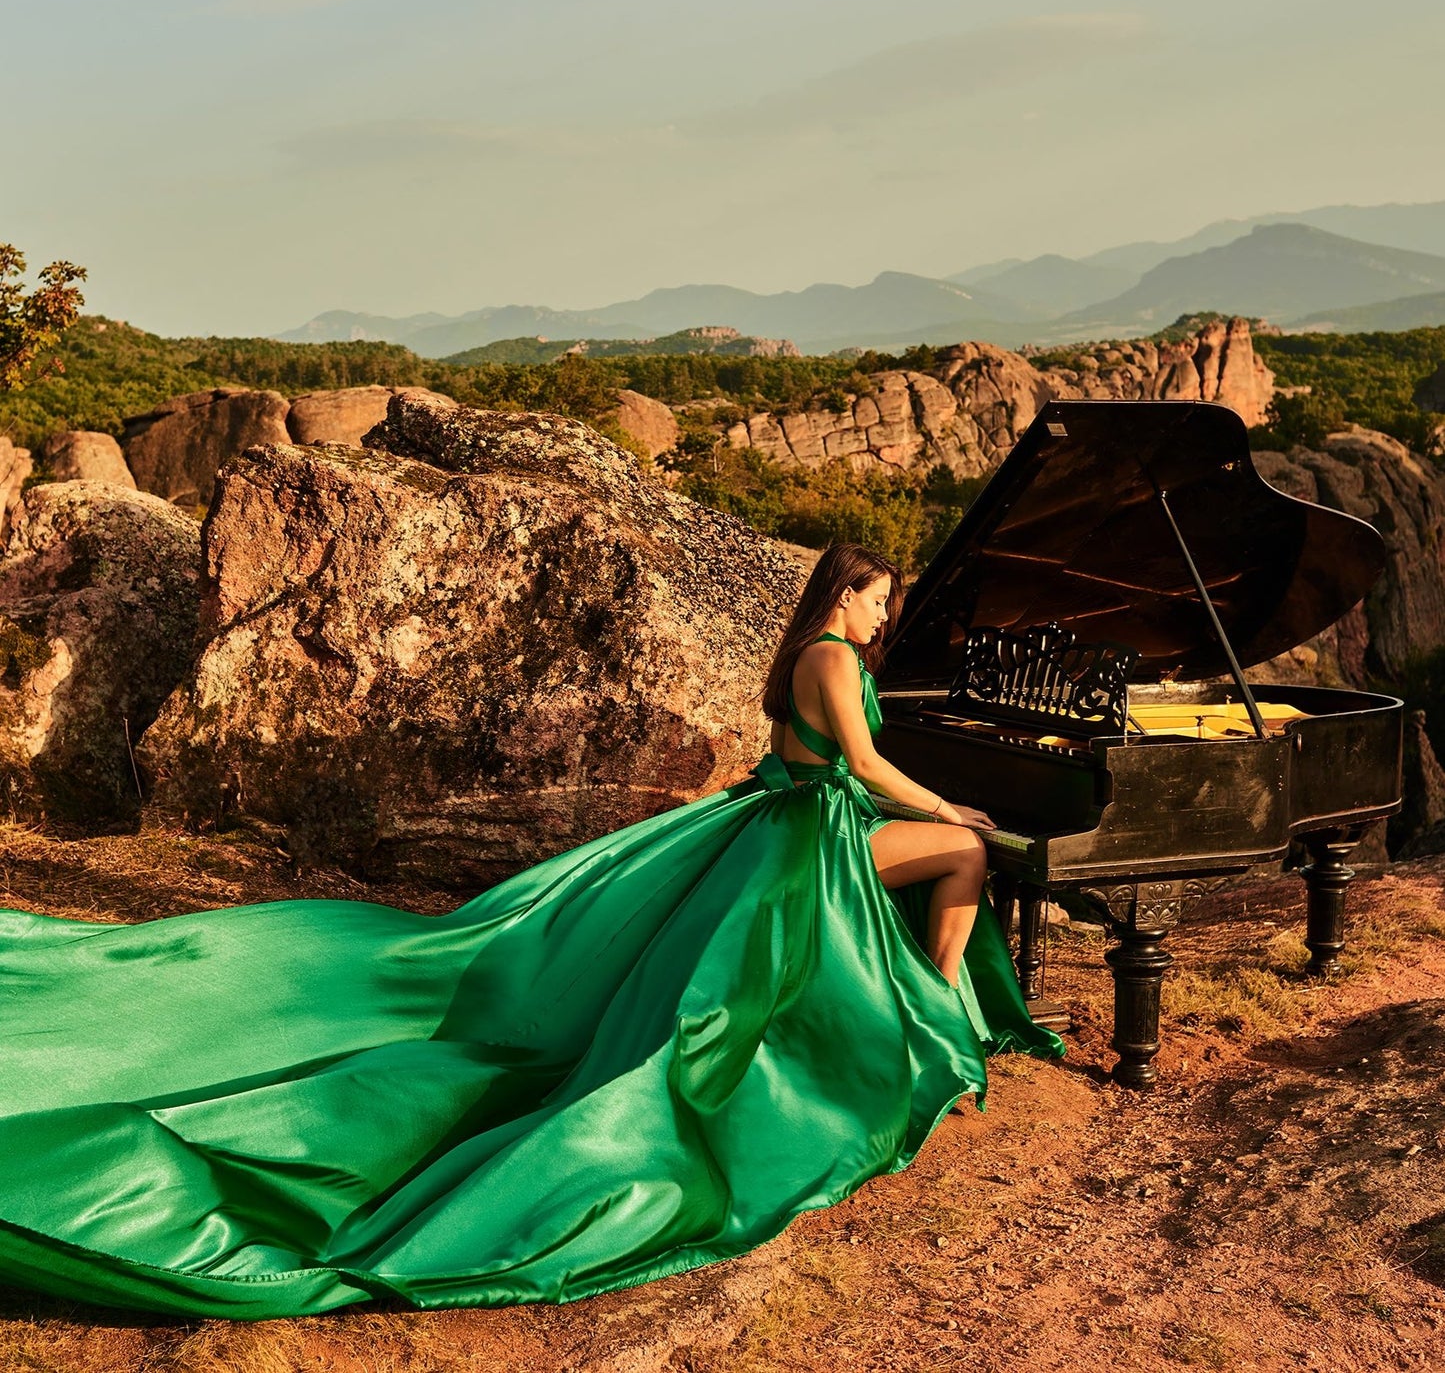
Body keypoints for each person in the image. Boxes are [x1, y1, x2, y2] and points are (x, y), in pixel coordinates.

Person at [0, 542, 1063, 1321]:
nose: (884, 616)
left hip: (801, 818)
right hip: (806, 831)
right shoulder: (830, 657)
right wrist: (947, 805)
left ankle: (927, 1006)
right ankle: (937, 1010)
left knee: (929, 868)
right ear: (843, 592)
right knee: (963, 855)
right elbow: (862, 767)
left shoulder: (829, 653)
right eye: (878, 599)